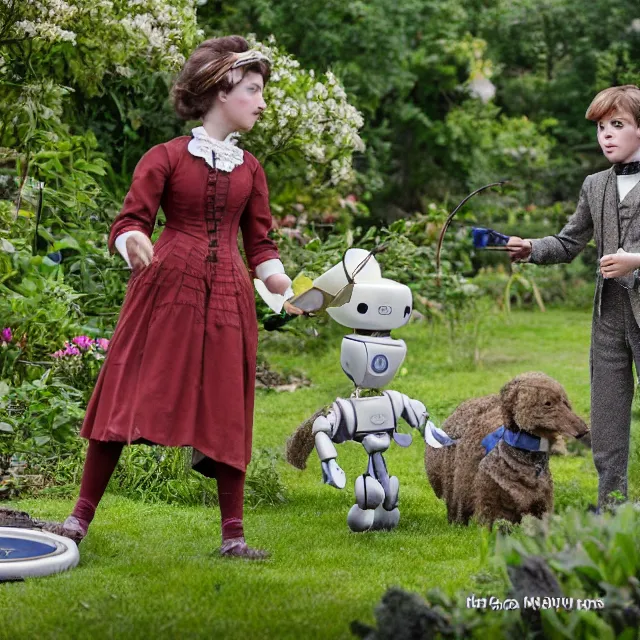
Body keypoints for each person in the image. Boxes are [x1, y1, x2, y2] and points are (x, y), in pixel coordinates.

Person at [45, 36, 302, 559]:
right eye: (252, 89)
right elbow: (130, 220)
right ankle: (77, 519)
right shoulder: (164, 158)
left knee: (228, 406)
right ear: (219, 90)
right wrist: (132, 241)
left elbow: (261, 245)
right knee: (128, 390)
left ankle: (234, 537)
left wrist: (284, 288)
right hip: (165, 292)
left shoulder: (251, 170)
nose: (261, 101)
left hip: (229, 297)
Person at [507, 84, 640, 511]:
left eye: (617, 124)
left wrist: (635, 261)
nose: (606, 135)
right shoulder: (595, 185)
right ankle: (612, 510)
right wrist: (531, 248)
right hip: (608, 316)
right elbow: (568, 242)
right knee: (607, 420)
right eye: (601, 127)